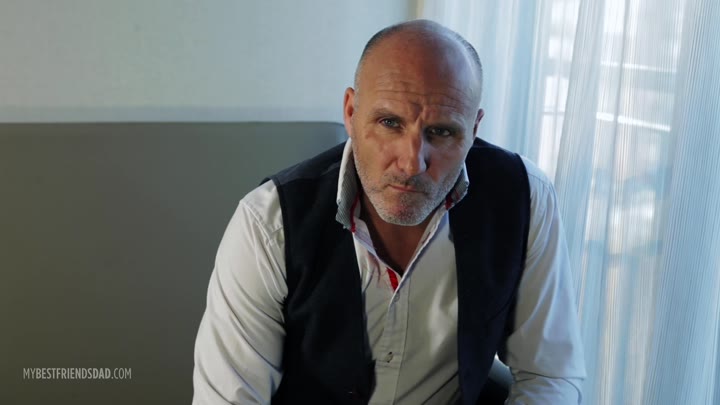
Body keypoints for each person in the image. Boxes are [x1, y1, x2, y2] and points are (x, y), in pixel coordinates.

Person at [192, 19, 586, 404]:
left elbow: (549, 374)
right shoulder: (268, 224)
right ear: (351, 112)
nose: (412, 163)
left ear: (474, 128)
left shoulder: (524, 196)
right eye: (389, 122)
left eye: (442, 132)